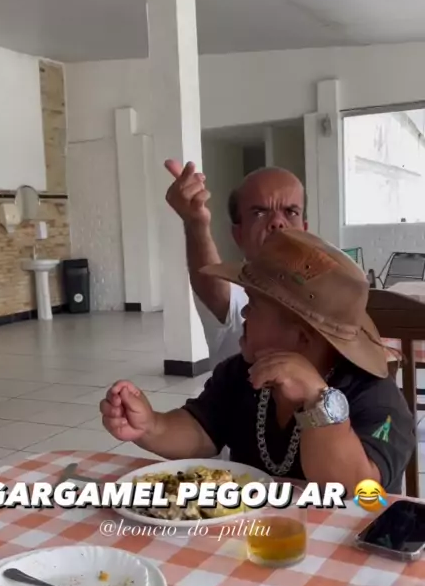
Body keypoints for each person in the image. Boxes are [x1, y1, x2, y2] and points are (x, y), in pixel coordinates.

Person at [101, 230, 414, 494]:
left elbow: (354, 491)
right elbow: (201, 431)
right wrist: (151, 426)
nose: (243, 313)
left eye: (253, 304)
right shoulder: (240, 372)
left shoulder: (375, 397)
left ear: (302, 338)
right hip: (253, 534)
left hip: (340, 543)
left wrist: (317, 400)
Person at [164, 160, 306, 367]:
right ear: (238, 234)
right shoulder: (238, 291)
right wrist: (196, 223)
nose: (277, 222)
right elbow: (213, 287)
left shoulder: (326, 292)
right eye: (259, 213)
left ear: (305, 228)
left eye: (291, 212)